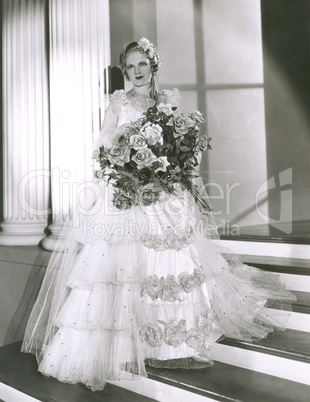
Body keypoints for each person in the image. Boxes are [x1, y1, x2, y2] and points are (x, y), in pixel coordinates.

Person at [21, 38, 296, 392]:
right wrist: (130, 173)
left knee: (173, 266)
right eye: (130, 66)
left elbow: (183, 153)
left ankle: (176, 343)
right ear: (125, 71)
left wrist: (187, 183)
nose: (136, 72)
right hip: (130, 194)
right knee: (130, 270)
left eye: (142, 65)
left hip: (167, 194)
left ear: (153, 67)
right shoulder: (118, 103)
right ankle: (133, 345)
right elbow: (103, 151)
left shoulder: (167, 103)